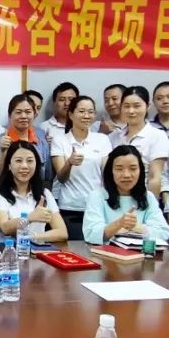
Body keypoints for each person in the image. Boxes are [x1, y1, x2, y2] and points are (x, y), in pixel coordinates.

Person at [50, 96, 112, 240]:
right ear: (71, 114)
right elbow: (61, 178)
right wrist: (69, 163)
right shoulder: (60, 140)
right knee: (73, 247)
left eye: (91, 112)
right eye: (82, 111)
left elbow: (107, 173)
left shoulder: (102, 140)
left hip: (97, 206)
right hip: (70, 206)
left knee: (97, 246)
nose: (86, 116)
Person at [83, 146, 169, 245]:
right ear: (111, 171)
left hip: (140, 252)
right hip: (105, 253)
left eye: (133, 169)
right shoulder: (97, 196)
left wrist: (136, 227)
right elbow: (90, 233)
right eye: (119, 169)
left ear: (140, 171)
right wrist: (119, 224)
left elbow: (164, 232)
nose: (126, 175)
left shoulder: (148, 197)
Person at [0, 141, 67, 243]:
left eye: (30, 161)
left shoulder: (45, 194)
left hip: (36, 250)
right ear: (9, 165)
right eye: (18, 161)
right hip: (7, 250)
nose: (24, 166)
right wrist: (29, 218)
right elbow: (5, 228)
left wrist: (32, 237)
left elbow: (62, 232)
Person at [107, 86, 168, 196]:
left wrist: (149, 204)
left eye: (136, 106)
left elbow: (155, 177)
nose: (131, 111)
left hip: (143, 196)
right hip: (115, 198)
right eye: (126, 106)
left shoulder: (157, 136)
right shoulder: (112, 137)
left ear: (147, 106)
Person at [0, 93, 50, 181]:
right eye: (18, 112)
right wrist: (3, 152)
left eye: (28, 112)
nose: (23, 116)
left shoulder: (41, 141)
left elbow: (48, 176)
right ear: (10, 115)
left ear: (34, 114)